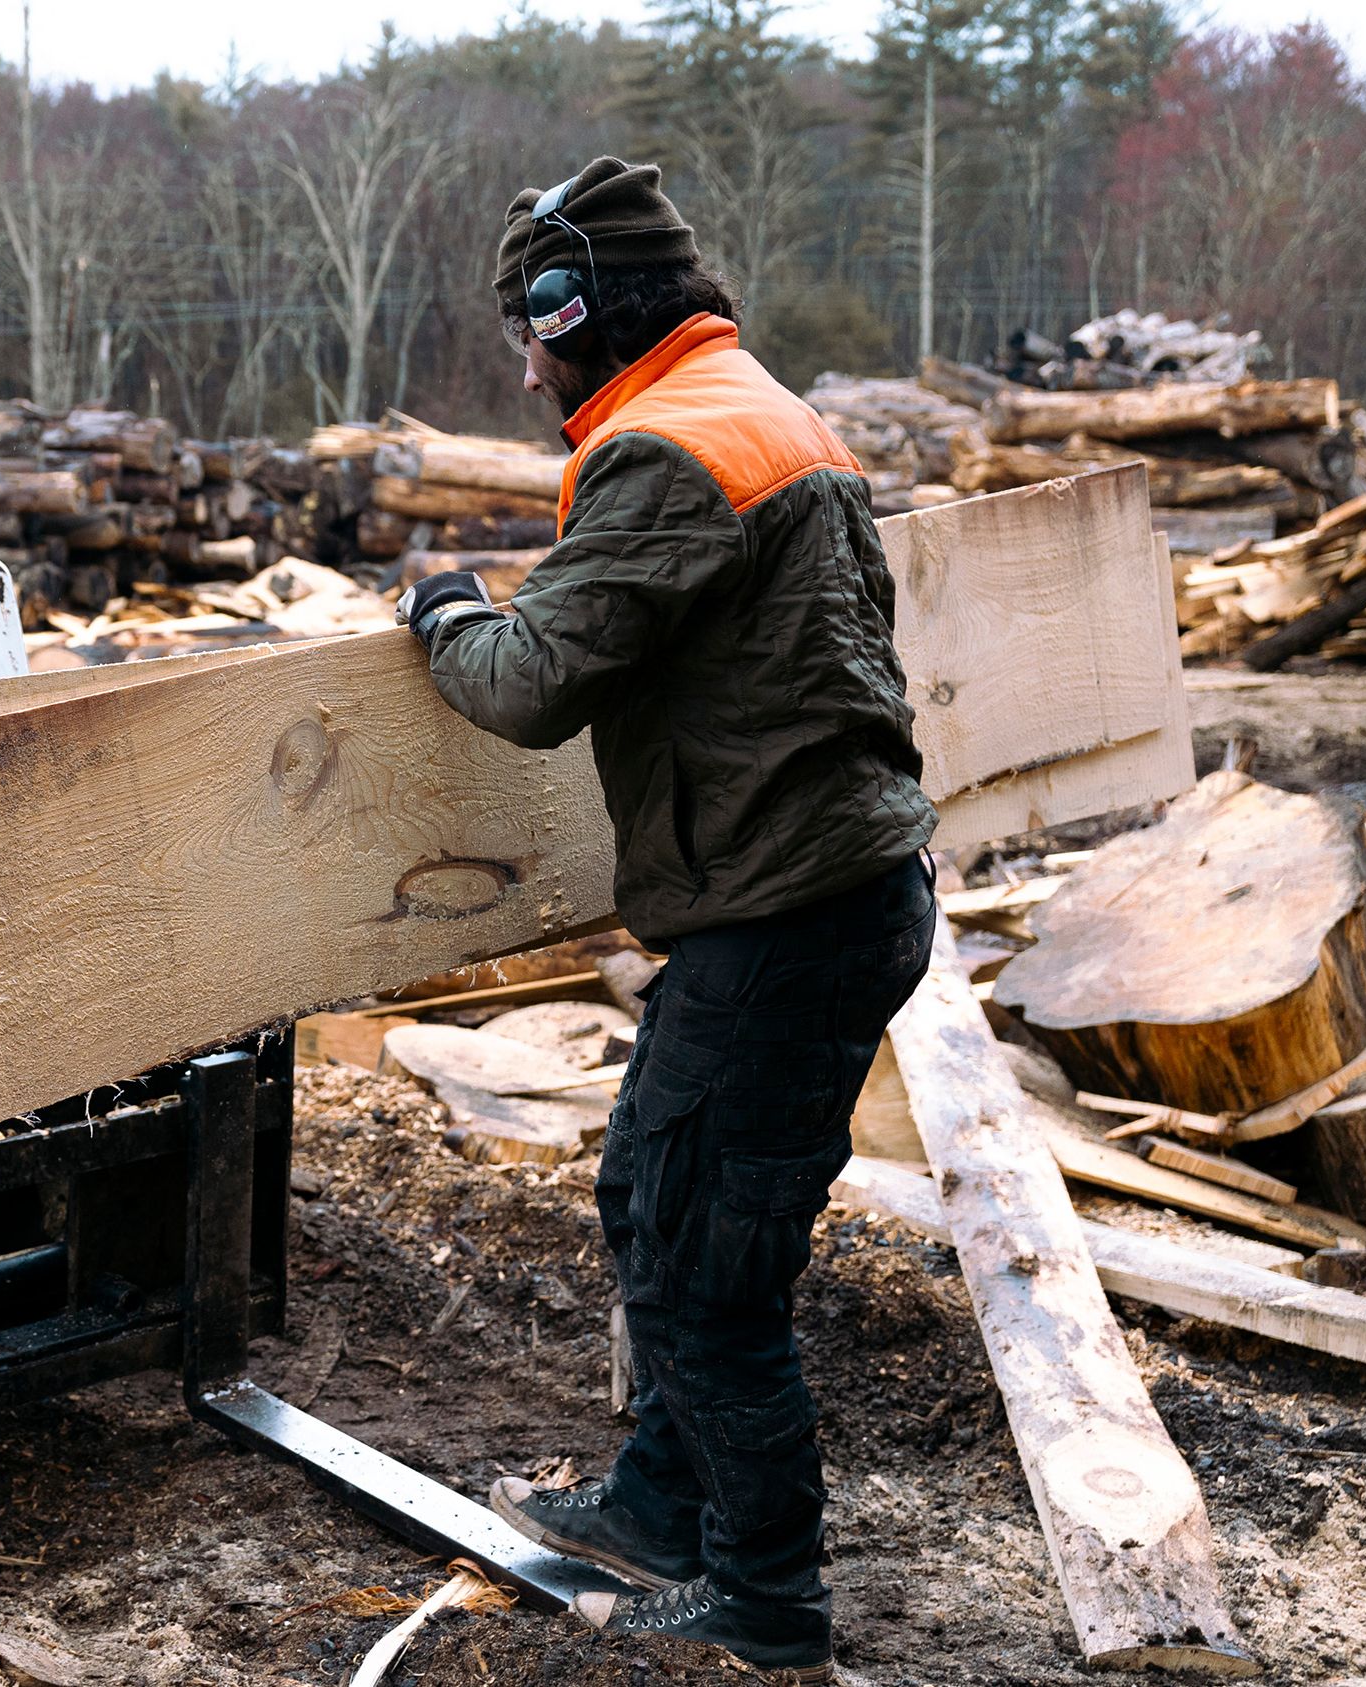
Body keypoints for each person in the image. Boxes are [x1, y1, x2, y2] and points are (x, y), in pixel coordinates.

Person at [398, 158, 939, 1684]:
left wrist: (446, 610)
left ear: (586, 314)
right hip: (816, 895)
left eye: (531, 327)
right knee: (654, 1191)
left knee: (713, 1270)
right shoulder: (757, 406)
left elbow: (523, 686)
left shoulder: (665, 451)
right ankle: (654, 1503)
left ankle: (768, 1601)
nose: (521, 364)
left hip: (791, 917)